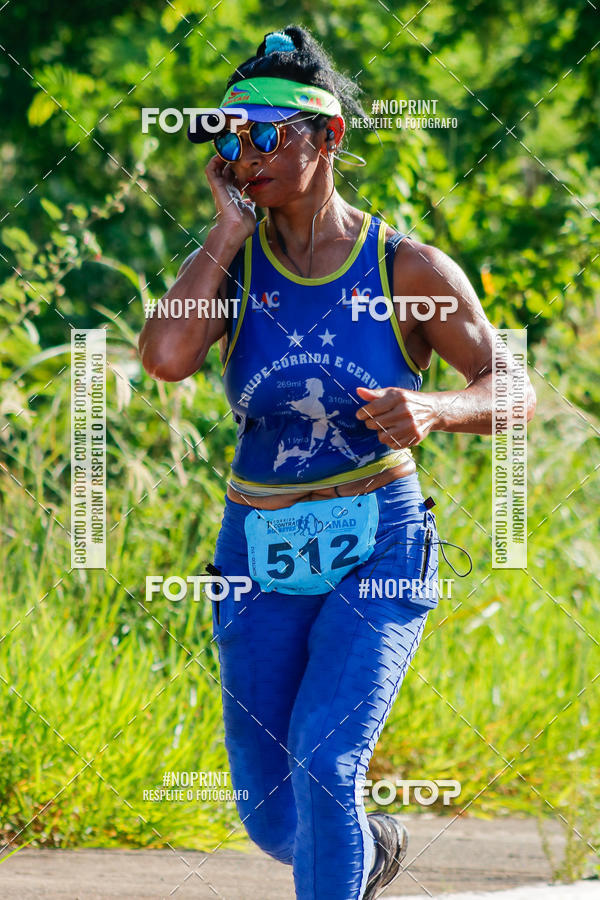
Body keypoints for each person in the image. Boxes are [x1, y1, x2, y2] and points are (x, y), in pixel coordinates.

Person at [138, 25, 536, 900]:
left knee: (326, 759)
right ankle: (371, 845)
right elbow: (165, 358)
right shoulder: (230, 270)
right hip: (257, 552)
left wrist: (436, 407)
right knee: (271, 813)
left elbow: (513, 388)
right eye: (231, 137)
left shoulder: (407, 267)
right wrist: (220, 233)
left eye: (270, 134)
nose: (249, 153)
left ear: (330, 139)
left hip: (377, 544)